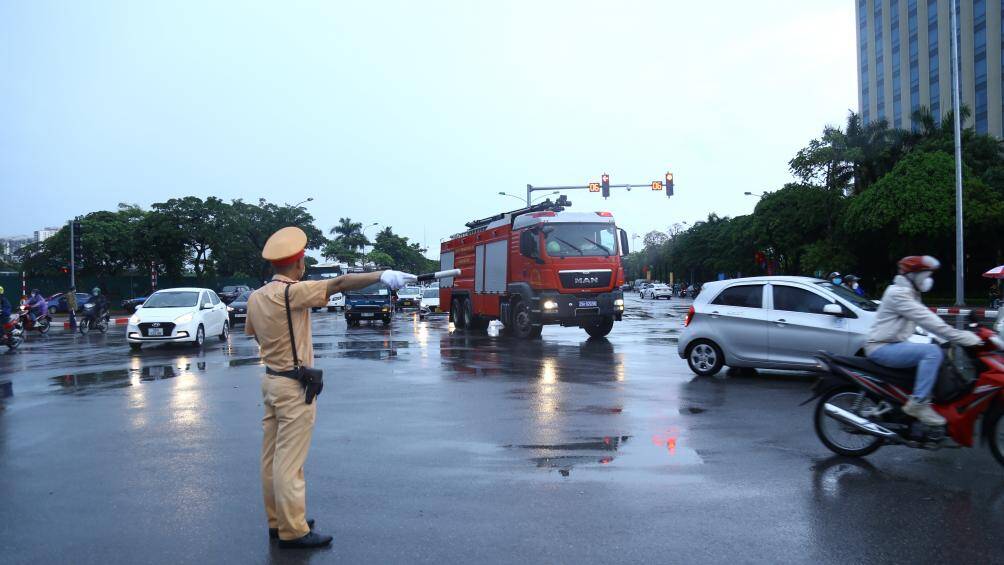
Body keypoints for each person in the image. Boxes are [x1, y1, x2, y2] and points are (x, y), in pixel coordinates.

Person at [245, 226, 417, 550]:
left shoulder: (256, 297)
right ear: (298, 263)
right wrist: (382, 275)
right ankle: (293, 531)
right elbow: (338, 283)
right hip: (294, 386)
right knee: (289, 462)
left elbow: (254, 334)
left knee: (270, 459)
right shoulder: (291, 293)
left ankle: (278, 521)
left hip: (270, 381)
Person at [865, 256, 983, 426]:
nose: (928, 280)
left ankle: (914, 399)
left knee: (933, 348)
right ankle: (918, 404)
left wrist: (943, 339)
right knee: (931, 353)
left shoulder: (909, 294)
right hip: (881, 348)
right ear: (913, 276)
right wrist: (960, 336)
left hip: (894, 344)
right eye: (925, 275)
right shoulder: (899, 294)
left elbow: (925, 320)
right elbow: (927, 319)